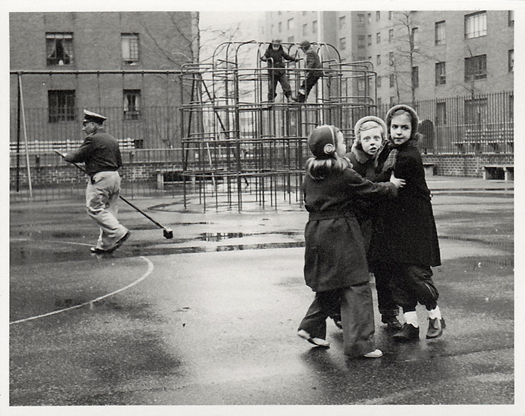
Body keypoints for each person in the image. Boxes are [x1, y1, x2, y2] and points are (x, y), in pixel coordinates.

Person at [297, 124, 405, 358]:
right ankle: (360, 345)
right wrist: (392, 186)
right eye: (341, 141)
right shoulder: (343, 171)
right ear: (330, 148)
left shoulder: (310, 173)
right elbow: (370, 189)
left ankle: (310, 326)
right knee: (356, 284)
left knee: (332, 281)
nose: (345, 145)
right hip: (341, 230)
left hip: (316, 230)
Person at [369, 104, 445, 342]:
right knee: (396, 276)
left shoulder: (409, 156)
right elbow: (380, 178)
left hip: (413, 225)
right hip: (393, 224)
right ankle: (410, 323)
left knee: (415, 274)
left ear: (413, 131)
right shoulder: (387, 151)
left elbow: (380, 180)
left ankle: (435, 316)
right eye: (394, 127)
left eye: (404, 127)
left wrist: (383, 180)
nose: (398, 132)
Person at [348, 116, 402, 331]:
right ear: (359, 140)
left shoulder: (387, 158)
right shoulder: (352, 161)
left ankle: (390, 314)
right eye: (367, 138)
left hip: (382, 223)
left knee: (385, 271)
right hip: (360, 223)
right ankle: (342, 313)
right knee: (356, 273)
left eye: (377, 138)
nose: (372, 142)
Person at [63, 110, 130, 255]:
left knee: (94, 209)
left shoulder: (92, 139)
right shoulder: (112, 139)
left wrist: (67, 156)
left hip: (100, 178)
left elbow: (78, 155)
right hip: (115, 177)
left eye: (85, 124)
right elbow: (119, 162)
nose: (83, 128)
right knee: (109, 212)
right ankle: (105, 245)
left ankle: (119, 232)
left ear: (93, 125)